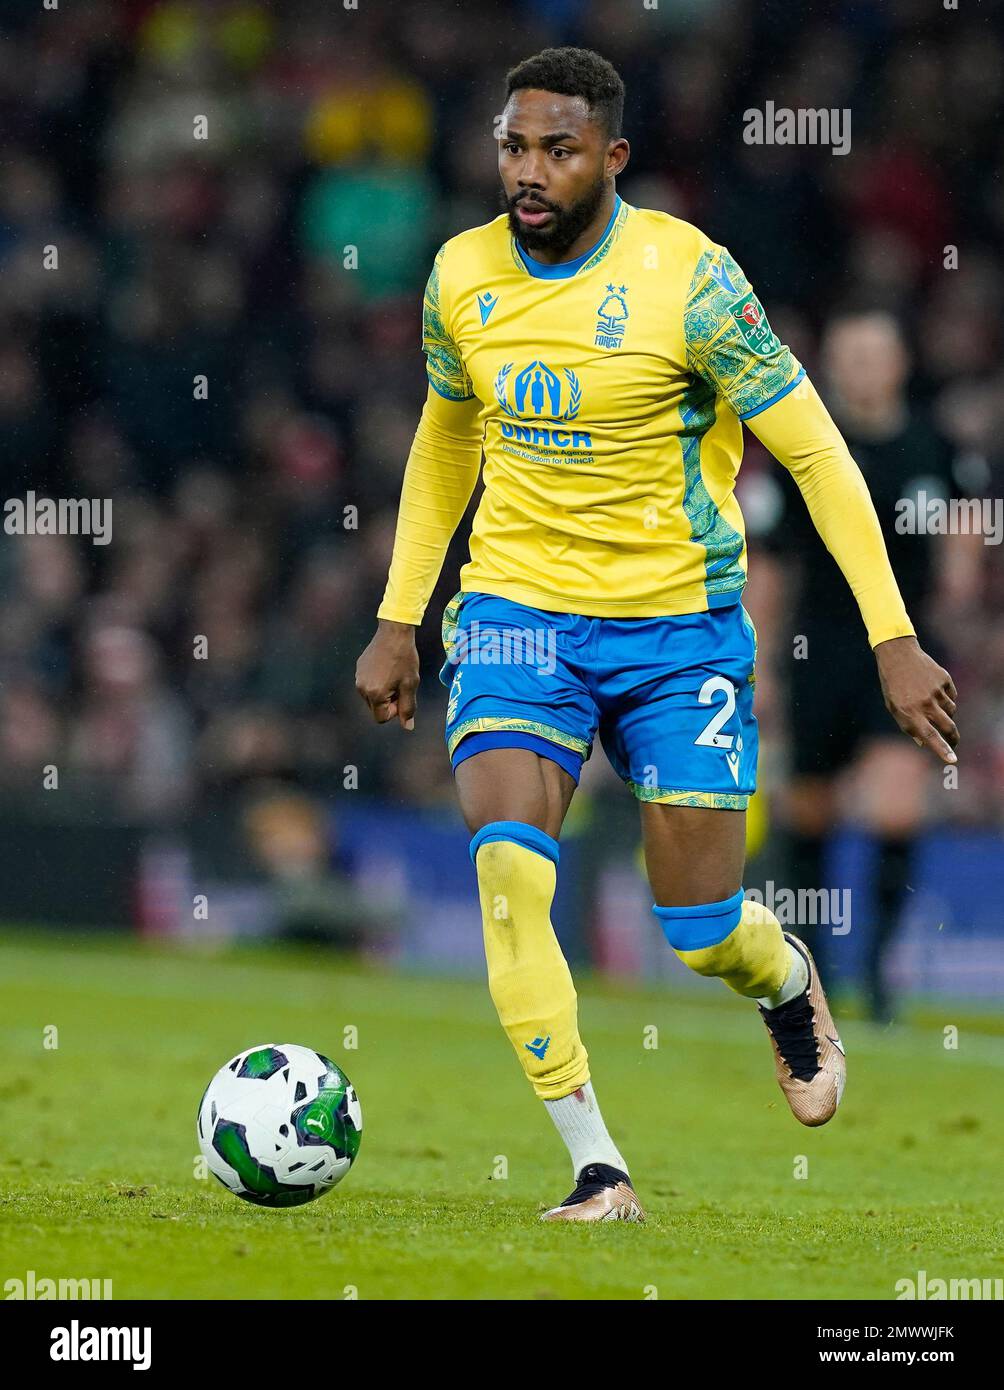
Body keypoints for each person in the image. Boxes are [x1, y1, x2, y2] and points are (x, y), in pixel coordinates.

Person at [356, 48, 958, 1222]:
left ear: (612, 158)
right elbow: (445, 443)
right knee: (507, 873)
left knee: (696, 923)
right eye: (513, 147)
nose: (526, 172)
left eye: (557, 150)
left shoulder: (691, 280)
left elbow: (817, 451)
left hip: (679, 629)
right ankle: (596, 1164)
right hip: (516, 615)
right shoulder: (460, 274)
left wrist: (893, 635)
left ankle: (784, 979)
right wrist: (400, 616)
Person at [771, 310, 974, 1021]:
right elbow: (771, 561)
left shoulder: (933, 446)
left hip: (909, 649)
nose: (859, 366)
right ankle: (816, 975)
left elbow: (964, 530)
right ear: (829, 363)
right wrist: (766, 664)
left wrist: (958, 597)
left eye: (872, 353)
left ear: (898, 363)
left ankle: (881, 977)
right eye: (846, 353)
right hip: (820, 646)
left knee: (896, 805)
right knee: (810, 809)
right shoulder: (803, 445)